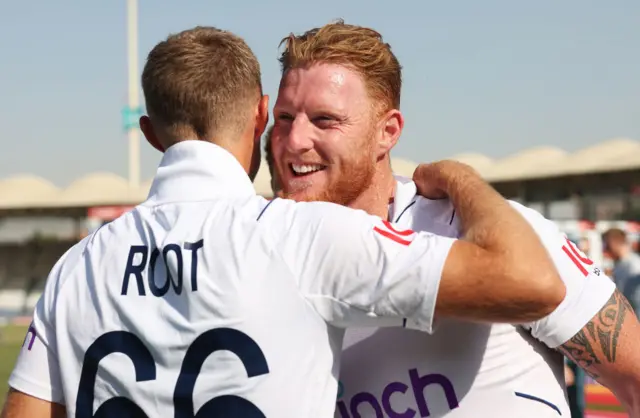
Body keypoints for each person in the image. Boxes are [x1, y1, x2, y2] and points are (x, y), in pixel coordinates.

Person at [0, 27, 565, 418]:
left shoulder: (75, 268)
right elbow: (532, 282)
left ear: (151, 135)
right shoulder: (301, 234)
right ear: (261, 116)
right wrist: (462, 178)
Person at [267, 20, 640, 417]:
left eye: (325, 120)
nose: (293, 141)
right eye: (285, 118)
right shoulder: (266, 257)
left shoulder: (487, 235)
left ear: (387, 132)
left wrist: (458, 177)